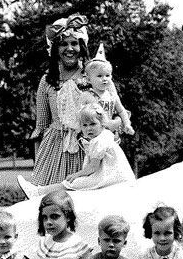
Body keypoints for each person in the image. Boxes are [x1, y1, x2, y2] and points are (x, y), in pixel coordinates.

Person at [30, 16, 90, 186]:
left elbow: (110, 108)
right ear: (55, 49)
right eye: (63, 44)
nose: (69, 49)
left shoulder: (93, 76)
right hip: (55, 151)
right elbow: (41, 127)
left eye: (74, 43)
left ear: (82, 47)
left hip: (88, 149)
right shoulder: (47, 80)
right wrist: (39, 165)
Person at [18, 191, 93, 259]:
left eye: (54, 217)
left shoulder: (73, 245)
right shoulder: (46, 242)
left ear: (68, 217)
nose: (48, 222)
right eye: (45, 217)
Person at [62, 104, 135, 191]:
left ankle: (48, 190)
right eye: (84, 125)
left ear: (102, 123)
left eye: (93, 124)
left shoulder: (98, 141)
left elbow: (93, 167)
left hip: (110, 178)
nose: (89, 129)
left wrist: (76, 175)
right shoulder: (106, 134)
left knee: (73, 183)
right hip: (119, 175)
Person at [81, 54, 134, 138]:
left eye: (107, 75)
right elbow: (80, 116)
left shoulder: (112, 96)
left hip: (110, 133)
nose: (104, 79)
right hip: (92, 135)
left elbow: (121, 111)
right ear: (88, 79)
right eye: (99, 76)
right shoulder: (86, 95)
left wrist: (127, 124)